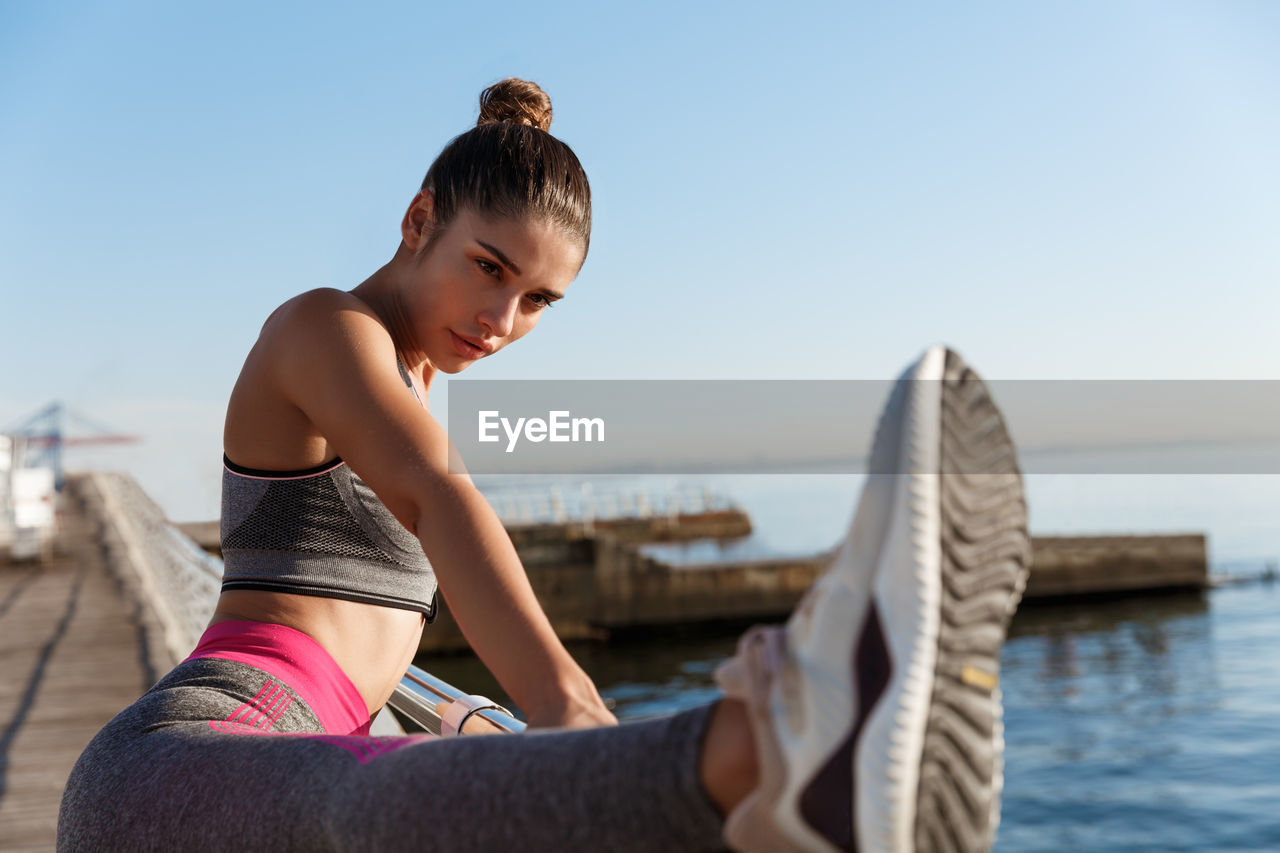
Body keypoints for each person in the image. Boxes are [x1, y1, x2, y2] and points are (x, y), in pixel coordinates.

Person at [58, 79, 1030, 852]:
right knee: (354, 809)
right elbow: (438, 498)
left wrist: (494, 732)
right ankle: (781, 744)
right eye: (488, 269)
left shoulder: (411, 377)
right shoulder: (324, 327)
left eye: (538, 301)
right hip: (186, 757)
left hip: (300, 752)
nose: (501, 321)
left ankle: (773, 784)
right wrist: (568, 708)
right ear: (416, 219)